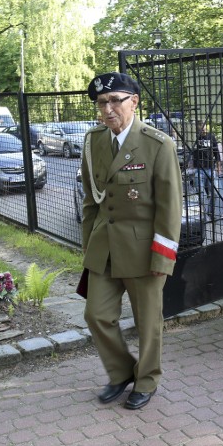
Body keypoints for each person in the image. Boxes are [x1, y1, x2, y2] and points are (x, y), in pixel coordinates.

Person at [80, 72, 183, 410]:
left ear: (134, 102)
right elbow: (90, 201)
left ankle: (147, 379)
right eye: (101, 103)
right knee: (97, 315)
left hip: (143, 250)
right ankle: (121, 371)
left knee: (148, 322)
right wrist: (87, 247)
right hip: (104, 247)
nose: (107, 109)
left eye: (114, 101)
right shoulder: (93, 140)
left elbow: (169, 208)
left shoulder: (157, 144)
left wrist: (162, 258)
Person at [192, 120, 220, 215]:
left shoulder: (211, 136)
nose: (203, 128)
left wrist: (218, 167)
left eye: (204, 126)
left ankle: (211, 212)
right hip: (199, 169)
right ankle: (205, 213)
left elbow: (216, 152)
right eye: (201, 126)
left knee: (215, 192)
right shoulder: (195, 137)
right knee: (201, 192)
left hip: (210, 168)